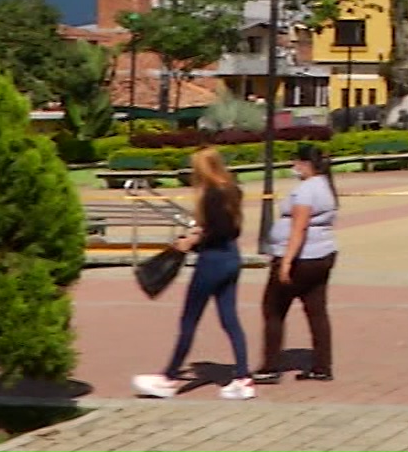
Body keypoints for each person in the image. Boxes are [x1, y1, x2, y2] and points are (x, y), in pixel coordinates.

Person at [133, 147, 253, 400]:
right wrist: (198, 236)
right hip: (231, 258)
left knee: (189, 321)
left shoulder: (211, 194)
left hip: (212, 262)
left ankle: (169, 378)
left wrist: (192, 242)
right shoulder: (233, 189)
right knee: (230, 319)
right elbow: (229, 230)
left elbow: (215, 231)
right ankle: (243, 377)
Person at [254, 143, 339, 383]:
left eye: (296, 163)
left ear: (306, 164)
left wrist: (286, 262)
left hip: (302, 258)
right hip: (323, 253)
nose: (294, 167)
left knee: (273, 309)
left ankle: (270, 367)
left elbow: (298, 227)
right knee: (316, 310)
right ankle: (322, 365)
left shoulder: (305, 191)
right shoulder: (326, 186)